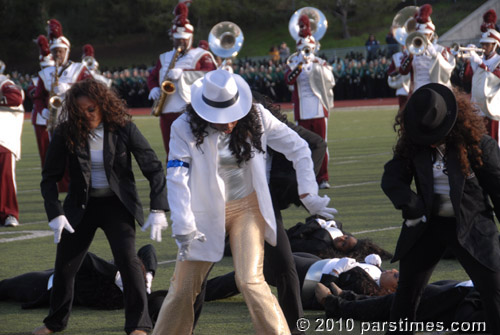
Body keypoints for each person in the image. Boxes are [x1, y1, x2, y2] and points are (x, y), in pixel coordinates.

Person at [152, 69, 337, 335]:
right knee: (183, 287)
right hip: (204, 210)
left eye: (231, 116)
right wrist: (182, 221)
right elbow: (177, 175)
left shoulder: (258, 116)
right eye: (219, 118)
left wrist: (308, 193)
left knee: (250, 280)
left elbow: (299, 147)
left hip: (248, 208)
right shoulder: (183, 126)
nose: (227, 124)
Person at [32, 78, 169, 335]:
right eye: (79, 111)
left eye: (91, 109)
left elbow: (153, 167)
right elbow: (49, 177)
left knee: (128, 262)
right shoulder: (65, 132)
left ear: (104, 105)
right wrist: (55, 213)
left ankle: (139, 324)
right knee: (65, 265)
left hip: (116, 205)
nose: (86, 115)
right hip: (80, 206)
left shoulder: (124, 128)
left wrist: (158, 208)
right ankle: (55, 322)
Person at [381, 83, 500, 334]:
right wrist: (411, 206)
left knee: (495, 289)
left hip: (473, 225)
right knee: (406, 295)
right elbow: (392, 178)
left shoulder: (479, 145)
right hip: (427, 227)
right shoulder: (414, 143)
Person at [204, 252, 399, 311]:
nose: (393, 270)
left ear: (389, 290)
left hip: (306, 276)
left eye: (396, 276)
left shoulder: (365, 288)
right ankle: (199, 290)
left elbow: (326, 290)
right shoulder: (378, 274)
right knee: (254, 266)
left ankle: (197, 293)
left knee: (250, 270)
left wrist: (337, 270)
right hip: (312, 261)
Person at [147, 2, 217, 159]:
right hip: (166, 111)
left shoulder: (201, 55)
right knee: (170, 152)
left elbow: (210, 74)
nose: (180, 43)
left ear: (190, 38)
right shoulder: (164, 57)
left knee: (194, 151)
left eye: (183, 40)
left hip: (190, 110)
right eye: (177, 39)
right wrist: (153, 88)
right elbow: (152, 76)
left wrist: (184, 74)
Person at [33, 19, 93, 193]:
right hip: (55, 121)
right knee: (58, 158)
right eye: (54, 52)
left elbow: (91, 90)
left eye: (60, 51)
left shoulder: (79, 69)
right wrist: (42, 110)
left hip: (76, 119)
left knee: (78, 156)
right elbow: (38, 97)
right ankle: (64, 190)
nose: (57, 55)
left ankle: (82, 188)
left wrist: (70, 90)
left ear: (66, 51)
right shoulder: (46, 73)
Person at [1, 245, 157, 310]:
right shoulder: (138, 287)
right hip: (60, 275)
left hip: (45, 286)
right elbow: (148, 249)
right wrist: (147, 280)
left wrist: (115, 274)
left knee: (5, 287)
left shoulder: (114, 291)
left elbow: (84, 257)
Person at [284, 14, 335, 189]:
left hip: (319, 109)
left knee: (322, 143)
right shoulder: (292, 64)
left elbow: (330, 81)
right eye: (303, 49)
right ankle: (308, 178)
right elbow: (289, 80)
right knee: (304, 146)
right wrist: (300, 65)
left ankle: (323, 177)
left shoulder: (321, 63)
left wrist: (316, 65)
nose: (306, 52)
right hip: (303, 109)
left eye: (309, 49)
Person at [316, 279, 487, 329]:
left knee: (399, 301)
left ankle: (336, 305)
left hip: (463, 299)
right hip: (468, 288)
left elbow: (469, 318)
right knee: (403, 297)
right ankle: (351, 297)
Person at [398, 4, 455, 93]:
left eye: (426, 34)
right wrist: (410, 56)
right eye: (421, 34)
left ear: (431, 35)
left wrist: (436, 55)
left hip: (436, 90)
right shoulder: (411, 50)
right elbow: (403, 71)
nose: (423, 37)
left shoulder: (440, 50)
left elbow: (446, 73)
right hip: (417, 91)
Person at [462, 10, 500, 142]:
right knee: (477, 141)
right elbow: (466, 79)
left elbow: (495, 75)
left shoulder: (498, 60)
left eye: (487, 44)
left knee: (493, 142)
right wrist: (468, 63)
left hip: (492, 108)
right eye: (482, 43)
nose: (484, 47)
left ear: (495, 45)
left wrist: (480, 63)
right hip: (477, 108)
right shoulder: (479, 59)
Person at [287, 215, 393, 260]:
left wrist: (316, 224)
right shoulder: (340, 231)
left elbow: (293, 239)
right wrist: (328, 221)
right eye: (346, 238)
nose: (341, 239)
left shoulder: (320, 247)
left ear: (342, 251)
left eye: (343, 244)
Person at [0, 62, 24, 227]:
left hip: (4, 137)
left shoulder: (4, 82)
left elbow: (16, 98)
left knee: (5, 177)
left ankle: (10, 213)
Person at [387, 44, 411, 111]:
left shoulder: (414, 54)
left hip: (412, 85)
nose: (403, 46)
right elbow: (389, 72)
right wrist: (396, 70)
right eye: (402, 44)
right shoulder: (396, 56)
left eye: (405, 44)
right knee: (402, 110)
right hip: (401, 86)